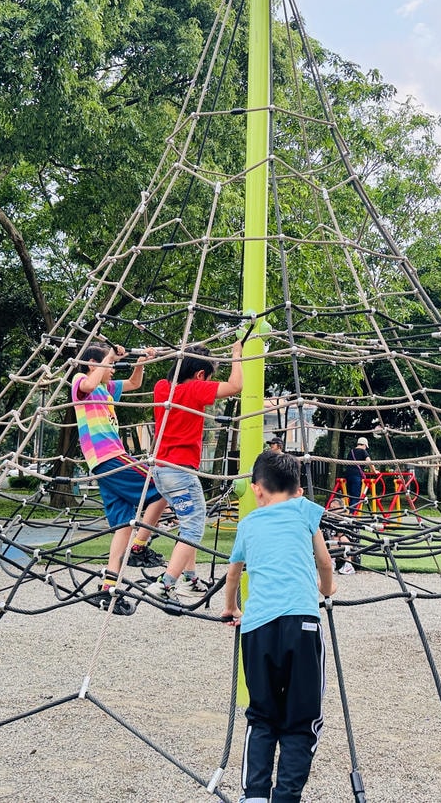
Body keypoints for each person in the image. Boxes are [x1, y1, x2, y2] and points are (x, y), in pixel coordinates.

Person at [221, 450, 336, 803]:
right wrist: (327, 590)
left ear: (257, 488)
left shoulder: (248, 523)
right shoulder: (305, 510)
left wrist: (231, 608)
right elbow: (325, 563)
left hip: (258, 629)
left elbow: (233, 574)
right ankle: (285, 796)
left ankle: (255, 794)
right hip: (302, 624)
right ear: (298, 487)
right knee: (302, 718)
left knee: (262, 715)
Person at [72, 344, 172, 614]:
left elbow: (134, 383)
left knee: (123, 526)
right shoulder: (81, 381)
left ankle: (108, 588)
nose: (113, 369)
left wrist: (141, 361)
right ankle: (139, 548)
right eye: (109, 365)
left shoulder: (106, 388)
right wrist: (109, 356)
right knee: (163, 484)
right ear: (92, 364)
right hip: (109, 456)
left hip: (103, 462)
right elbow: (88, 384)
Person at [149, 340, 243, 600]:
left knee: (187, 523)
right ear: (201, 375)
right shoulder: (195, 389)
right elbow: (236, 386)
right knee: (193, 528)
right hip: (180, 471)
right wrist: (236, 354)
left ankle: (189, 579)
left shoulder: (161, 387)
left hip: (161, 470)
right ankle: (165, 584)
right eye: (208, 377)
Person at [344, 437, 371, 515]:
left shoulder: (351, 451)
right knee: (356, 496)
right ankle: (352, 513)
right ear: (364, 445)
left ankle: (349, 511)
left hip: (348, 475)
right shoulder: (363, 451)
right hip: (356, 476)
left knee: (350, 495)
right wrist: (374, 471)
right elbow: (369, 462)